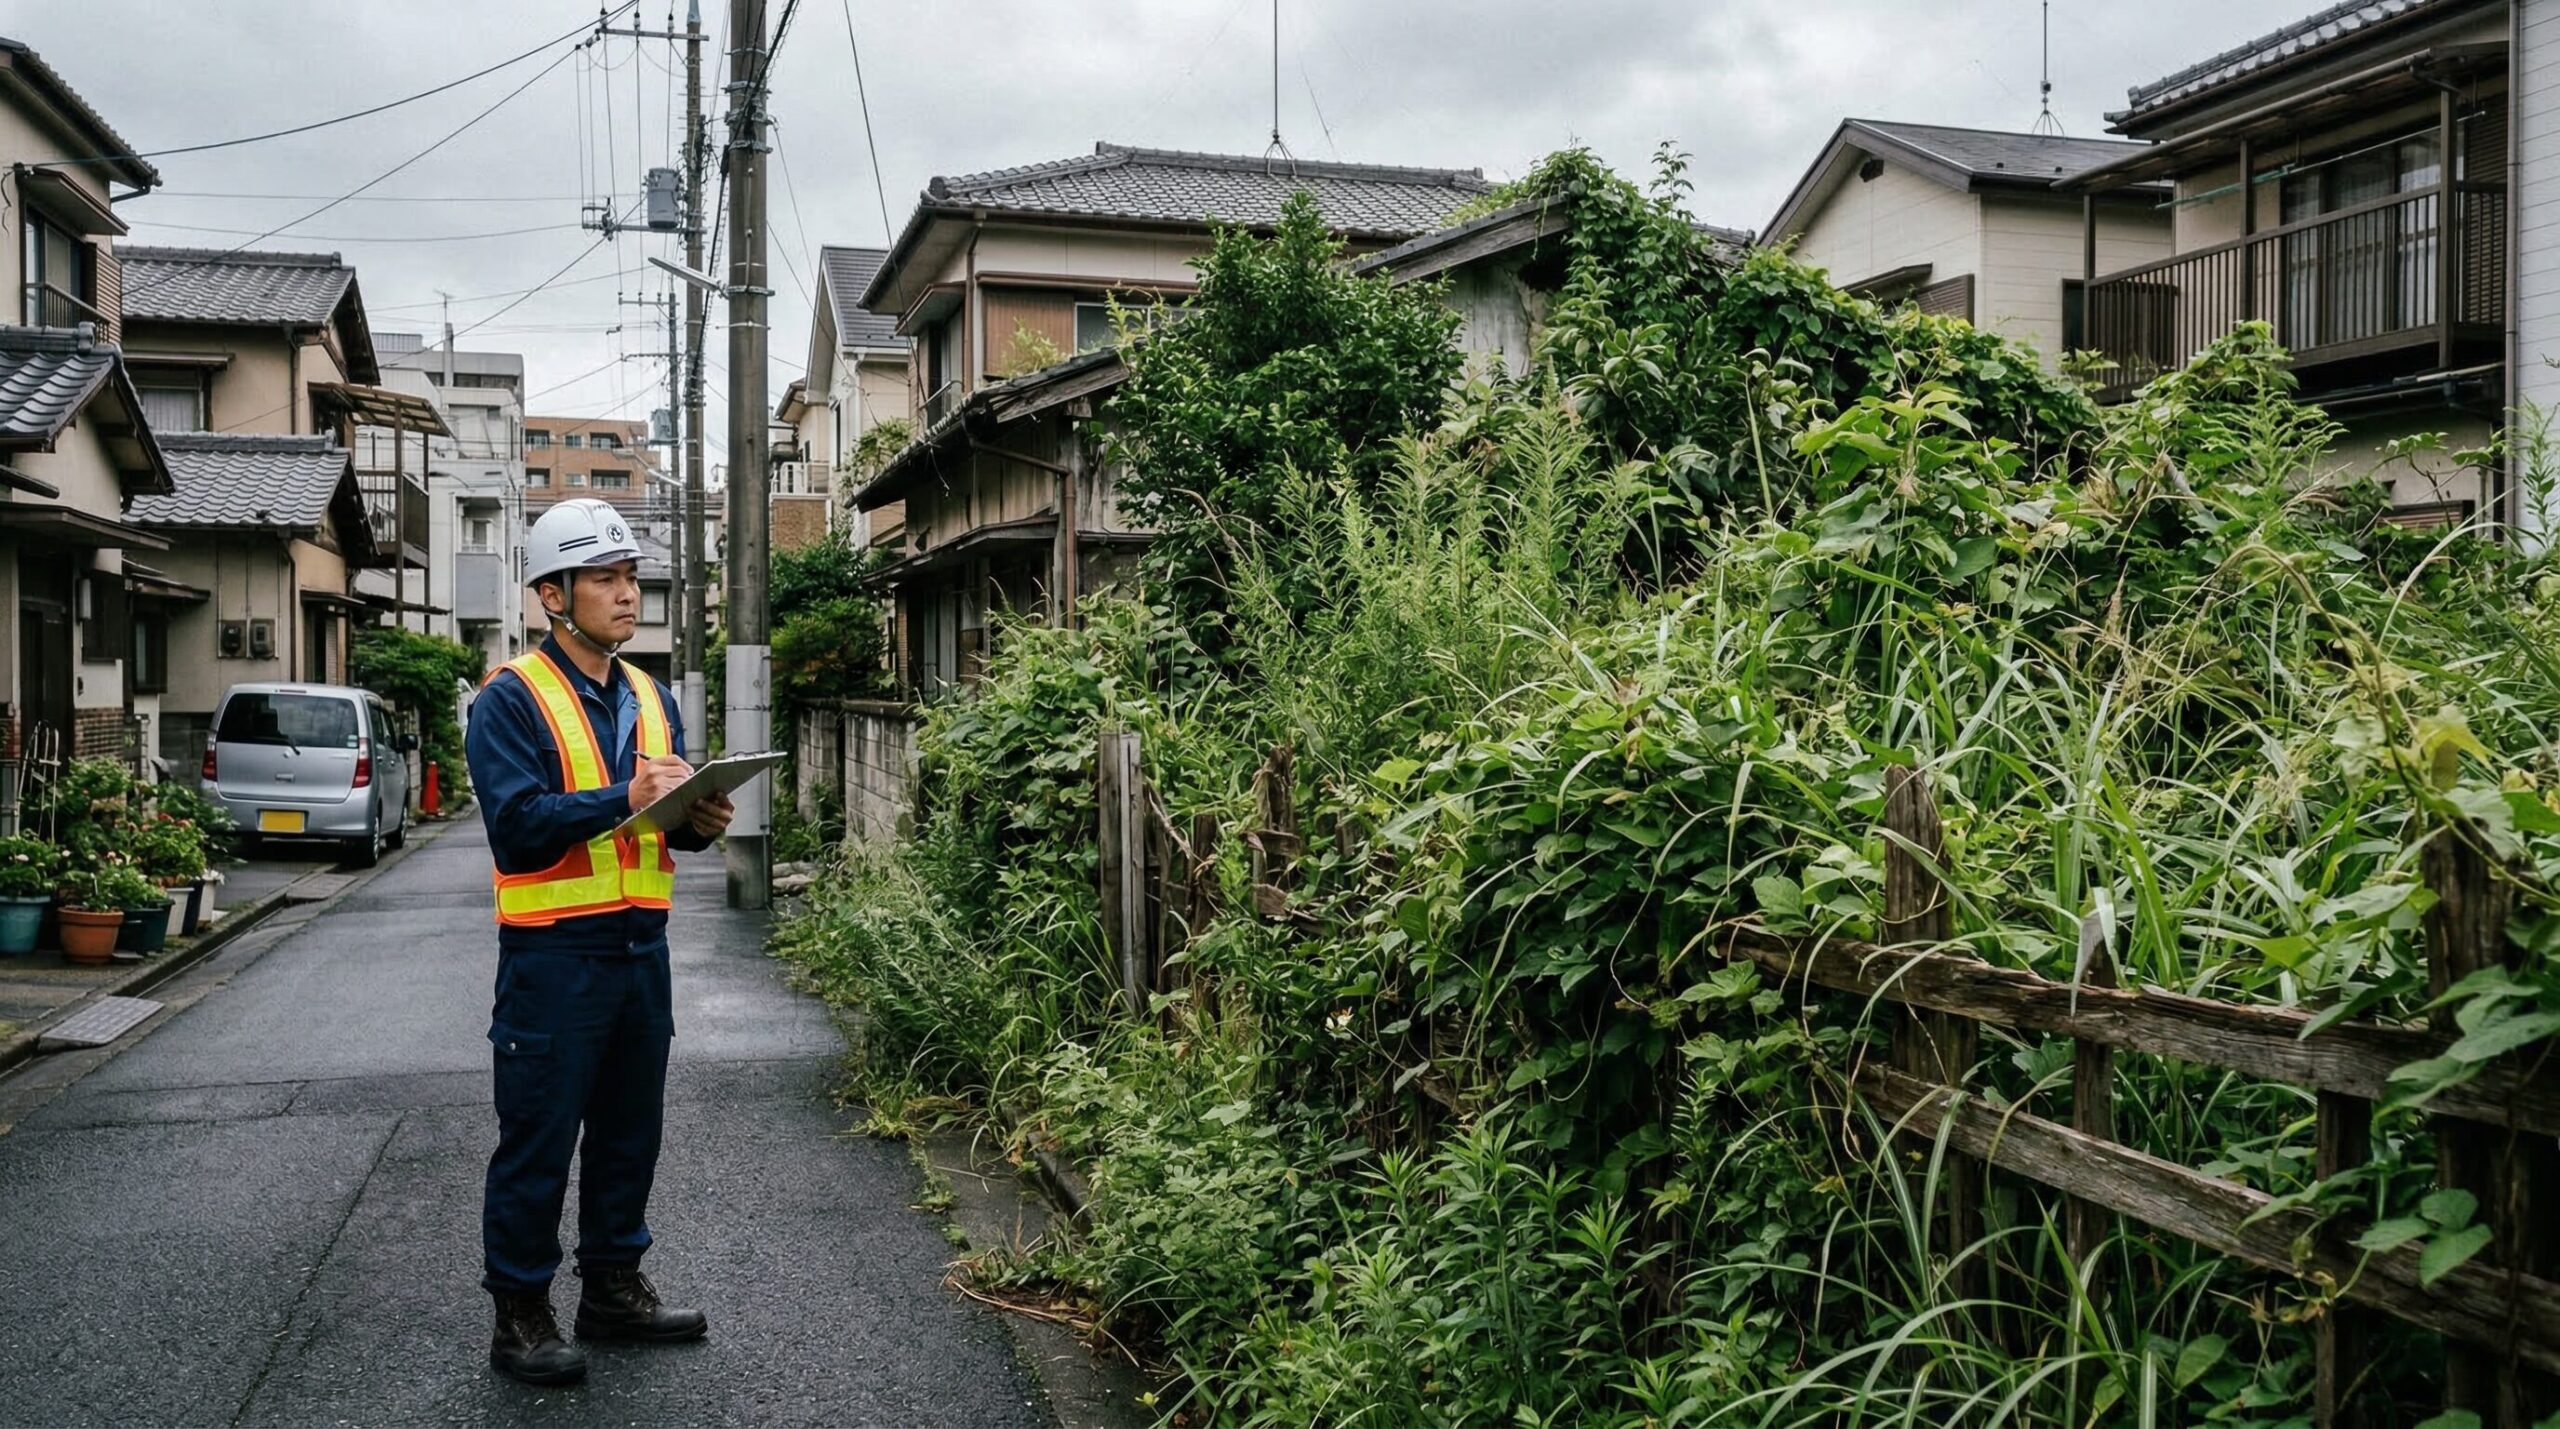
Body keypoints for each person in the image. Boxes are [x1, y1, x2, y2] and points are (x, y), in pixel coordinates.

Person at [464, 498, 733, 1387]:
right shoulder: (509, 700)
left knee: (629, 1132)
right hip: (551, 958)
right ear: (553, 595)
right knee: (537, 1137)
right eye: (607, 580)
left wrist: (701, 818)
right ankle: (521, 1313)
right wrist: (623, 796)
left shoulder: (652, 697)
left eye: (632, 579)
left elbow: (663, 828)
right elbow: (518, 826)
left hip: (640, 951)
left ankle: (612, 1287)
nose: (628, 595)